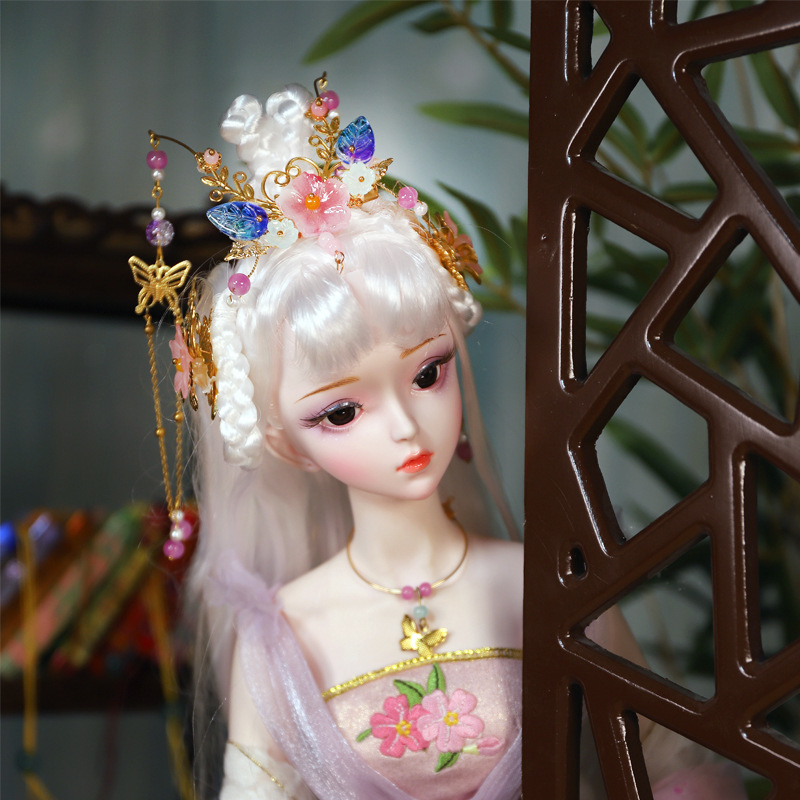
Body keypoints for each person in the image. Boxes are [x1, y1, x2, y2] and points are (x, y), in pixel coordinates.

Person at [147, 78, 744, 800]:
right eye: (341, 412)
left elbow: (661, 760)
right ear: (283, 442)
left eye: (427, 373)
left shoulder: (548, 586)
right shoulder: (284, 635)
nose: (404, 425)